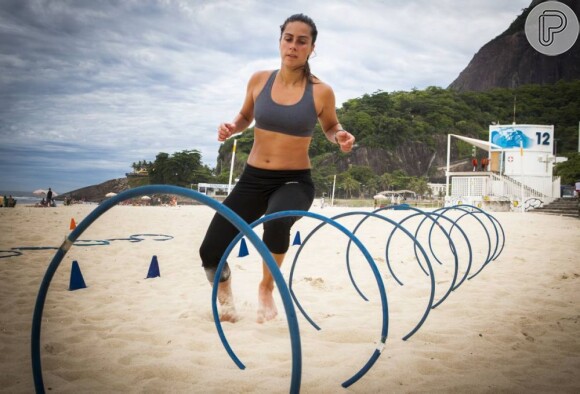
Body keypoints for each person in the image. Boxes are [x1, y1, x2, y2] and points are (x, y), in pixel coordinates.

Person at [199, 13, 355, 323]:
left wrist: (340, 135)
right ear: (280, 40)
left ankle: (266, 287)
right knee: (210, 251)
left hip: (294, 181)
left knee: (277, 221)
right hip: (253, 179)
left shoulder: (321, 91)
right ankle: (226, 300)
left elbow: (330, 125)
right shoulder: (259, 80)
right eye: (289, 38)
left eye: (302, 41)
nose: (294, 46)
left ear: (312, 48)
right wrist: (233, 127)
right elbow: (245, 117)